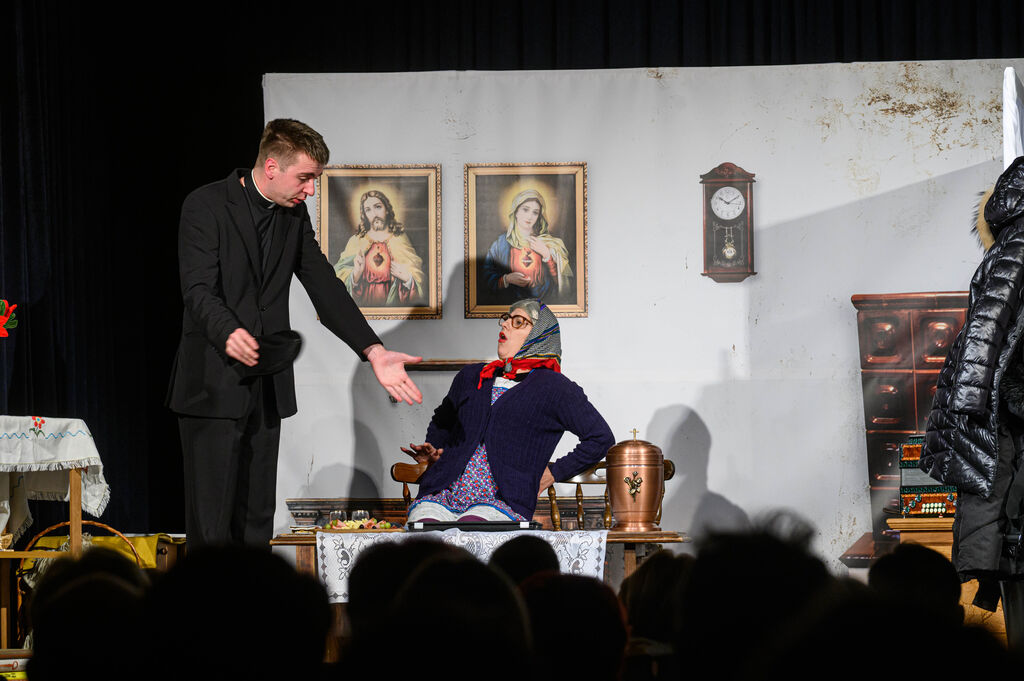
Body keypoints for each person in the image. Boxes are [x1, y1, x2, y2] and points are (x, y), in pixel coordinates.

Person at [167, 119, 422, 548]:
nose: (311, 190)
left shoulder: (292, 215)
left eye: (314, 179)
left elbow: (323, 283)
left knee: (256, 523)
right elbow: (197, 289)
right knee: (211, 530)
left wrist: (373, 350)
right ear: (271, 166)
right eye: (305, 178)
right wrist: (228, 331)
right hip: (211, 385)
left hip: (266, 384)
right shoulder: (206, 205)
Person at [401, 299, 613, 522]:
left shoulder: (555, 388)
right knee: (424, 531)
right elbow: (442, 421)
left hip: (501, 503)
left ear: (539, 335)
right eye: (506, 319)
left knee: (472, 529)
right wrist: (435, 451)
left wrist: (553, 473)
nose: (505, 325)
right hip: (441, 495)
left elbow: (601, 438)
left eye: (518, 322)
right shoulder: (472, 376)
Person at [334, 189, 425, 306]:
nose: (374, 214)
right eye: (368, 210)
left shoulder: (399, 238)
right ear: (364, 215)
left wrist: (407, 278)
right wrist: (356, 274)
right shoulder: (356, 240)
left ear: (386, 209)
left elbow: (417, 278)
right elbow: (339, 277)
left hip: (392, 306)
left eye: (378, 207)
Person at [483, 189, 572, 304]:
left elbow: (564, 287)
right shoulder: (500, 244)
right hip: (510, 304)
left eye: (535, 212)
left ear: (539, 216)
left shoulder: (549, 243)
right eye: (525, 210)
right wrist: (506, 279)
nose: (530, 217)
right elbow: (486, 277)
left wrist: (547, 255)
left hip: (543, 304)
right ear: (516, 212)